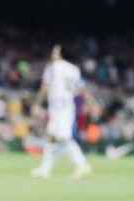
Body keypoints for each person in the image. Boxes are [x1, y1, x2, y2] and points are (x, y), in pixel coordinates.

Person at [32, 45, 93, 179]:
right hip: (67, 106)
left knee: (63, 137)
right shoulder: (74, 69)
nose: (52, 54)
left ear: (61, 54)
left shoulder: (52, 67)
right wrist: (90, 103)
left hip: (58, 106)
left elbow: (44, 88)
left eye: (55, 51)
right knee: (53, 137)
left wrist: (36, 103)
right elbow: (81, 88)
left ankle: (82, 164)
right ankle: (45, 169)